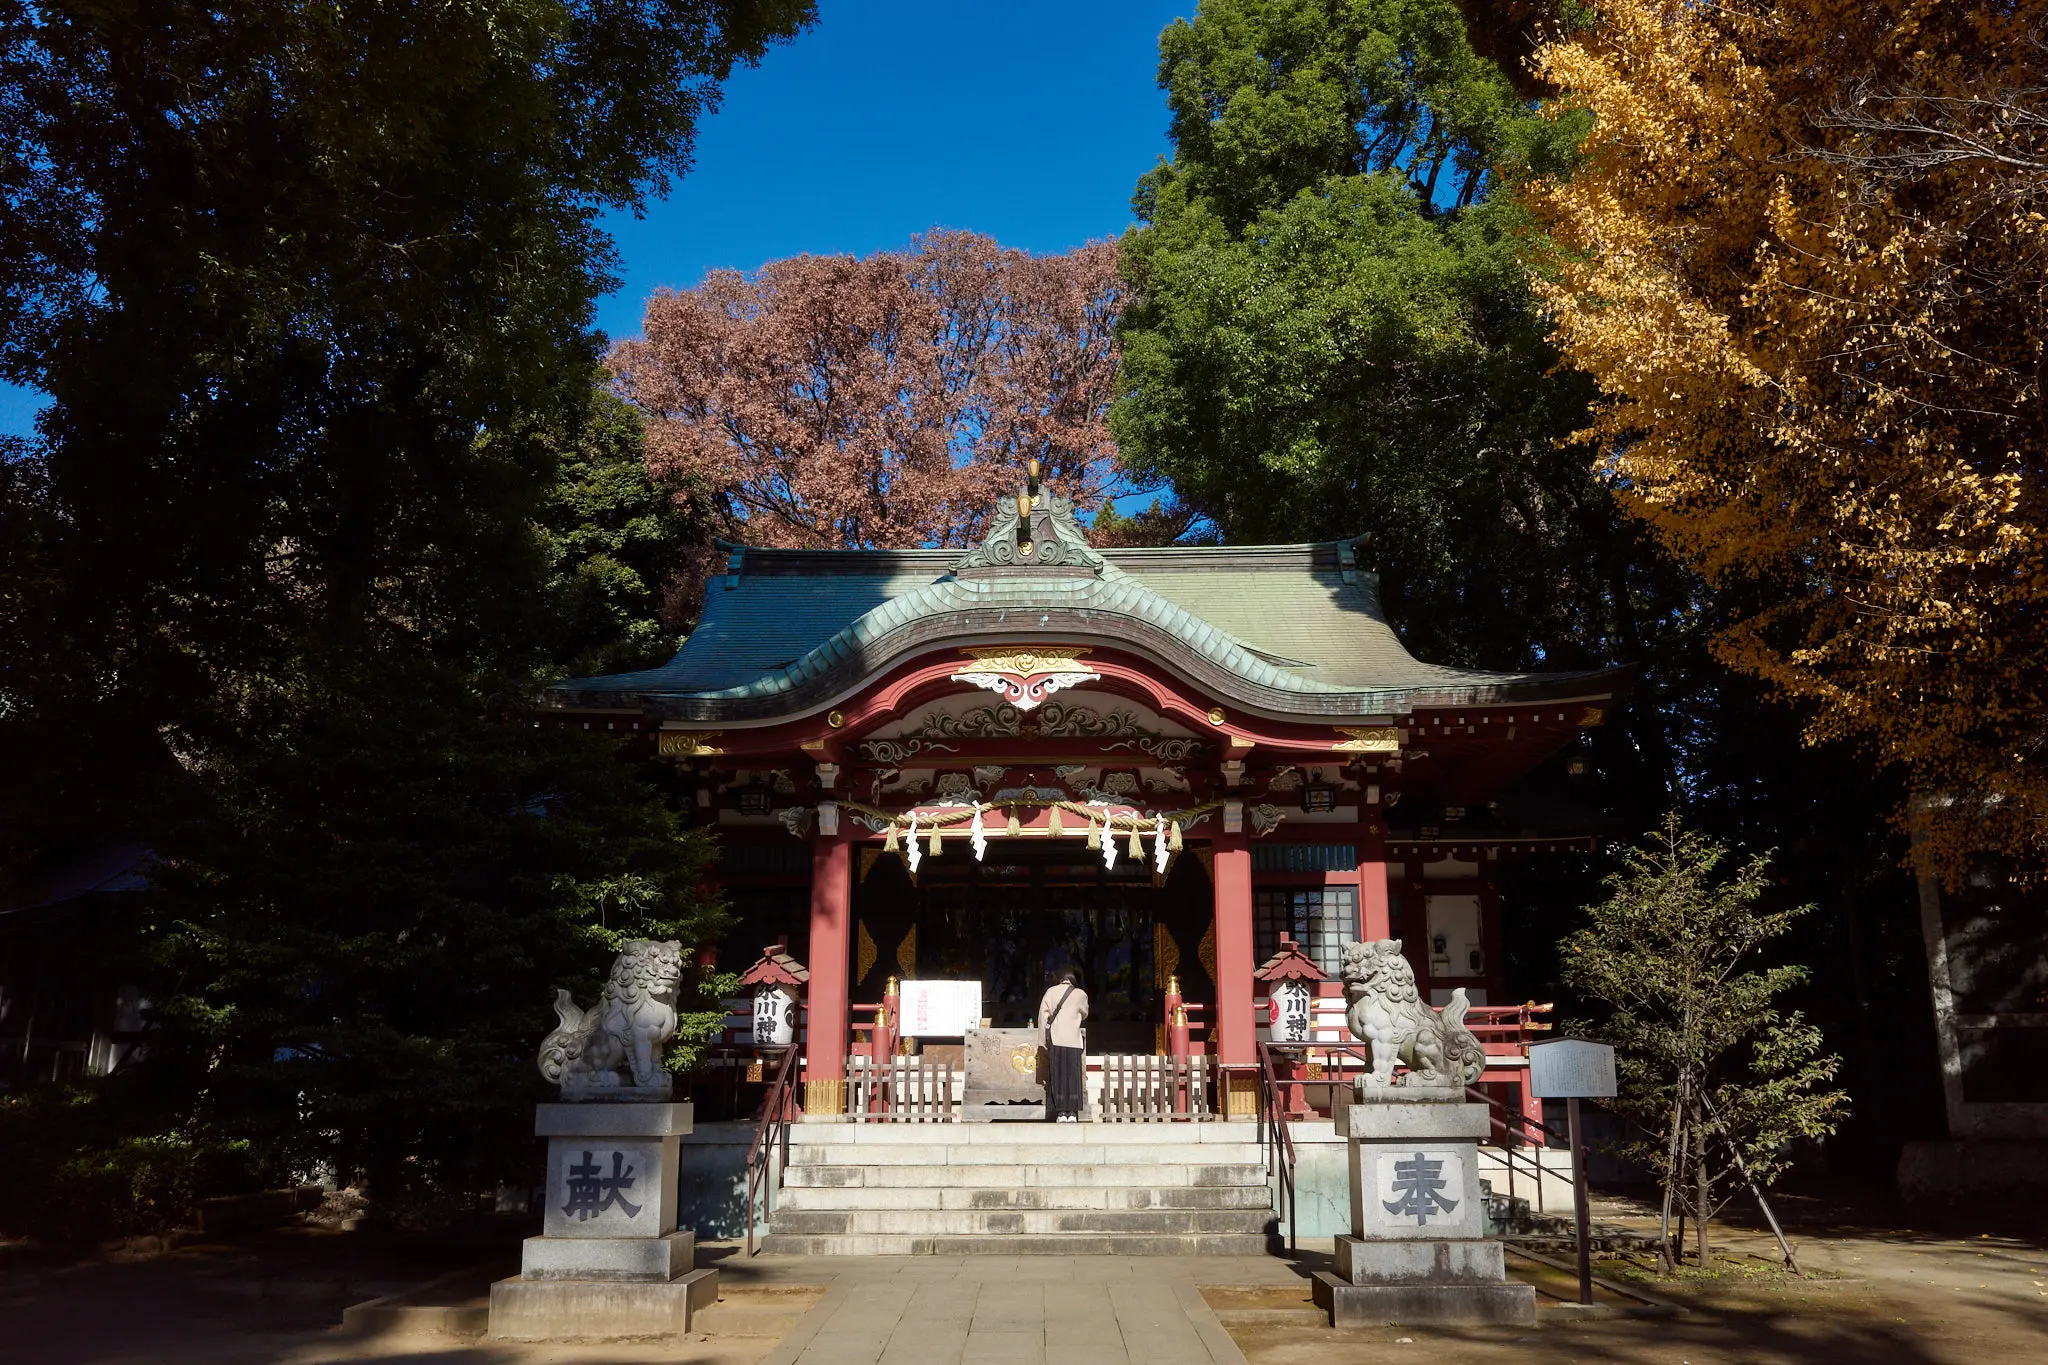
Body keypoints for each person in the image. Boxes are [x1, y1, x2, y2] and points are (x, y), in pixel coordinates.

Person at [1038, 969, 1089, 1122]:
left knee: (1058, 1075)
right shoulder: (1080, 994)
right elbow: (1085, 1013)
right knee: (1073, 1076)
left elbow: (1042, 1017)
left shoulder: (1050, 992)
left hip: (1056, 1038)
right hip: (1073, 1039)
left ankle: (1061, 1113)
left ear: (1060, 980)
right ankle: (1072, 1113)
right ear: (1072, 981)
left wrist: (1042, 1041)